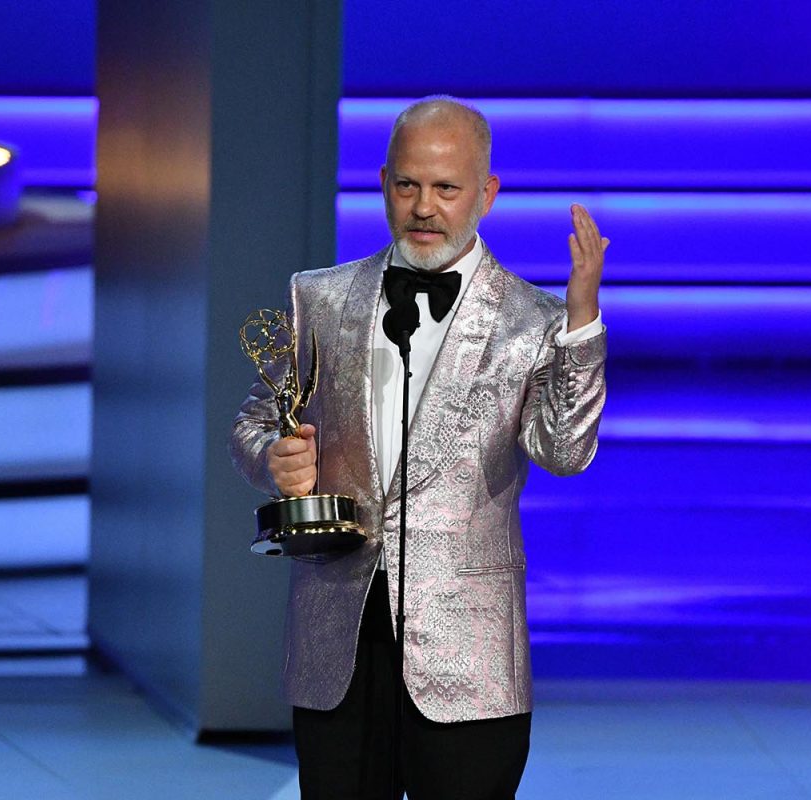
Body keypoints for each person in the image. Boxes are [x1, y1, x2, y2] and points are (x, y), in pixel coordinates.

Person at [230, 96, 608, 800]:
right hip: (338, 635)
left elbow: (565, 450)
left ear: (486, 195)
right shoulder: (320, 298)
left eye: (445, 188)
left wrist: (581, 323)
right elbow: (256, 422)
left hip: (468, 655)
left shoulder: (533, 322)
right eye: (408, 185)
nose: (423, 207)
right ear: (382, 184)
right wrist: (270, 460)